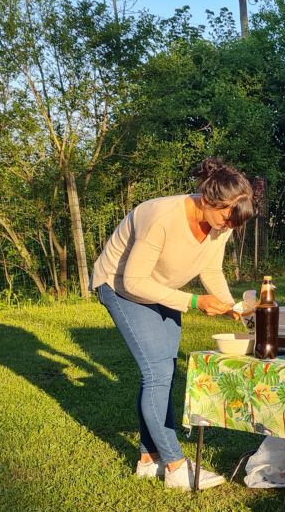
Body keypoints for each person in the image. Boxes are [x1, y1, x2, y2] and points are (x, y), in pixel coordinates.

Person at [92, 157, 256, 490]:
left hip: (161, 289)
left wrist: (229, 306)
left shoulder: (222, 223)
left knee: (163, 371)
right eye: (227, 217)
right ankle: (176, 466)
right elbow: (134, 281)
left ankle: (148, 460)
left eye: (234, 221)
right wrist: (194, 302)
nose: (229, 225)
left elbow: (210, 268)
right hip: (121, 286)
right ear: (207, 200)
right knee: (157, 372)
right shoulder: (162, 217)